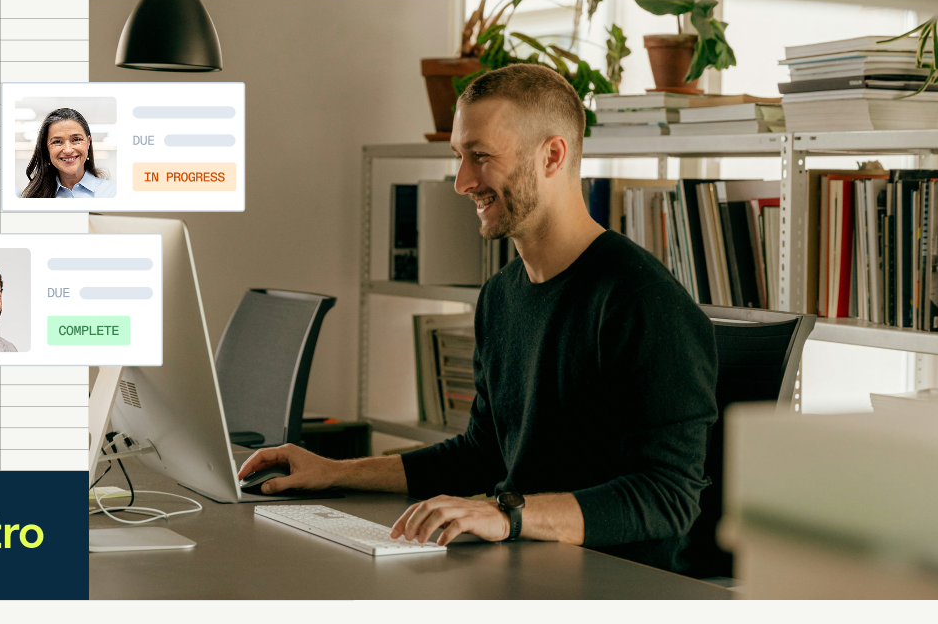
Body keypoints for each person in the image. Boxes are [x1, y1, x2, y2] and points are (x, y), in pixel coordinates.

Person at [238, 64, 717, 573]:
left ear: (552, 155)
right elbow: (481, 453)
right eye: (458, 157)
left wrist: (505, 514)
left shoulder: (642, 301)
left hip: (610, 583)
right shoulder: (501, 295)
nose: (462, 181)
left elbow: (667, 497)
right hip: (516, 564)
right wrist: (333, 472)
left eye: (481, 156)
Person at [20, 107, 116, 199]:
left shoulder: (113, 193)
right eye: (57, 141)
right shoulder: (33, 199)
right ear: (46, 149)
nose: (68, 150)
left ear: (88, 142)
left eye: (76, 139)